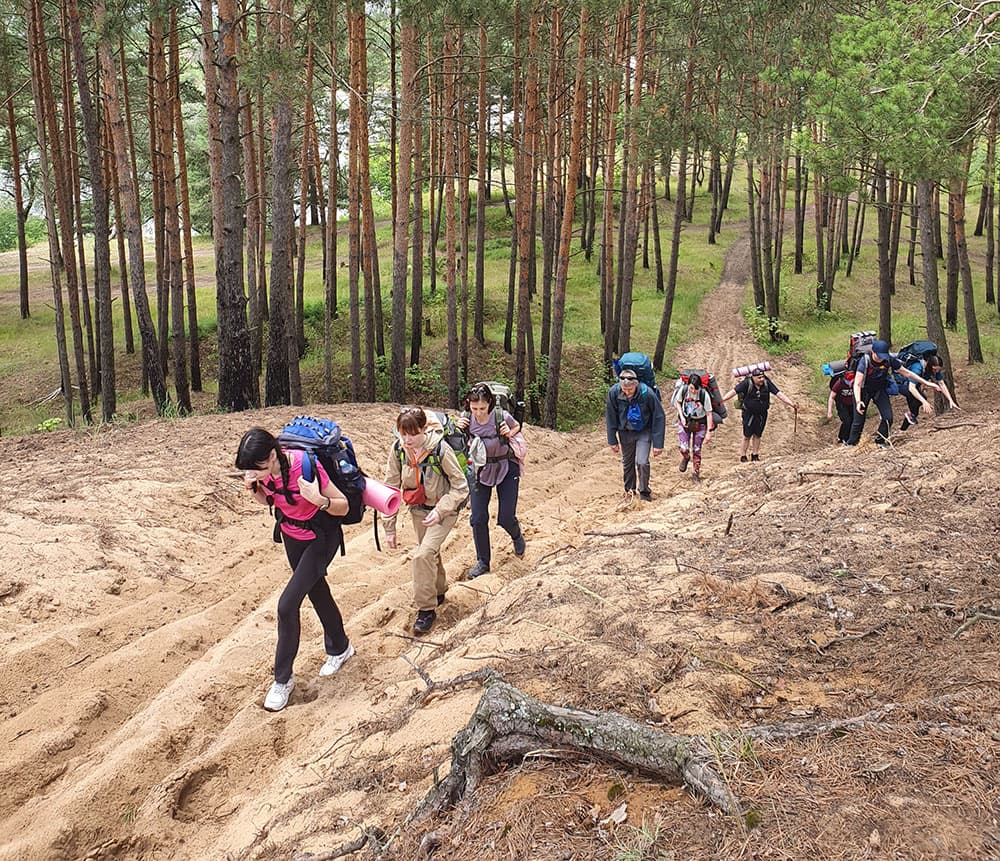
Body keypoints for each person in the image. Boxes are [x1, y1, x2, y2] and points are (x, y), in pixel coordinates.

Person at [236, 428, 355, 712]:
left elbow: (343, 506)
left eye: (257, 468)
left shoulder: (304, 465)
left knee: (286, 606)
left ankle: (282, 679)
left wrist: (318, 500)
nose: (254, 473)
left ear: (273, 456)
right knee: (316, 592)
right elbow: (271, 501)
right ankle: (340, 646)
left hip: (319, 538)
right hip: (291, 535)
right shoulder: (264, 475)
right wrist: (255, 488)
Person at [382, 407, 469, 635]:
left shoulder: (440, 449)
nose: (408, 439)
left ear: (424, 429)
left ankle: (426, 610)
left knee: (422, 555)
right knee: (430, 553)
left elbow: (460, 487)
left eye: (413, 434)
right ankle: (439, 591)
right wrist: (389, 528)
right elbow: (390, 488)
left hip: (443, 511)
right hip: (418, 510)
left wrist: (441, 511)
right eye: (403, 434)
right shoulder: (398, 450)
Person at [454, 383, 527, 579]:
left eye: (482, 408)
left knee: (505, 517)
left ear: (490, 405)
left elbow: (517, 426)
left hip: (505, 466)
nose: (478, 413)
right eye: (474, 408)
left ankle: (517, 536)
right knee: (477, 517)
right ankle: (483, 562)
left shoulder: (500, 415)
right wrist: (457, 429)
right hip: (480, 470)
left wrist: (509, 433)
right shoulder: (466, 419)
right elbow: (456, 442)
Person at [846, 339, 939, 447]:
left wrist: (927, 383)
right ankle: (851, 444)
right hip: (863, 391)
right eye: (879, 356)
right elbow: (857, 384)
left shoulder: (888, 359)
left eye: (883, 356)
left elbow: (907, 373)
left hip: (879, 389)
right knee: (858, 421)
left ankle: (880, 441)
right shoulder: (865, 361)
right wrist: (858, 402)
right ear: (873, 352)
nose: (881, 359)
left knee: (888, 417)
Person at [605, 369, 666, 500]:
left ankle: (644, 491)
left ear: (636, 384)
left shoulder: (647, 394)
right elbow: (610, 416)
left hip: (644, 431)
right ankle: (629, 491)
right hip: (625, 432)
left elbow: (659, 416)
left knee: (642, 462)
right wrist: (612, 440)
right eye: (624, 390)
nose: (627, 393)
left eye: (630, 390)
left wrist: (658, 444)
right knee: (627, 463)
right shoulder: (614, 393)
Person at [721, 369, 797, 462]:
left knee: (758, 434)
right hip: (748, 413)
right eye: (759, 378)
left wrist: (791, 404)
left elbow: (779, 394)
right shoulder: (746, 383)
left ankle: (755, 455)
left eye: (762, 377)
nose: (761, 379)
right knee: (747, 435)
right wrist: (721, 401)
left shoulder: (767, 383)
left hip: (762, 414)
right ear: (753, 378)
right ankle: (743, 455)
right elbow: (733, 392)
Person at [671, 373, 714, 479]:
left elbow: (709, 413)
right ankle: (686, 457)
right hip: (685, 420)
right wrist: (681, 417)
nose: (693, 391)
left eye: (696, 389)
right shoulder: (684, 390)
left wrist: (709, 432)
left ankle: (696, 471)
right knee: (683, 447)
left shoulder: (704, 395)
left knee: (697, 449)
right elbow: (678, 402)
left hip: (700, 423)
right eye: (691, 388)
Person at [899, 353, 959, 429]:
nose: (936, 371)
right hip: (901, 384)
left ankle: (903, 429)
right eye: (934, 369)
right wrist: (924, 402)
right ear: (929, 365)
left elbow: (941, 384)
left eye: (938, 369)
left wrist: (950, 400)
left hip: (913, 386)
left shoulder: (934, 370)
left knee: (915, 412)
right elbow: (911, 388)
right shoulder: (917, 367)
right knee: (920, 399)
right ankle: (909, 417)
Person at [826, 373, 855, 444]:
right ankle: (843, 438)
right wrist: (829, 411)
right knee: (846, 420)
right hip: (842, 404)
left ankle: (848, 438)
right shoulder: (839, 383)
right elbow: (831, 397)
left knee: (853, 421)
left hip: (852, 404)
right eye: (848, 380)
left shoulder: (856, 383)